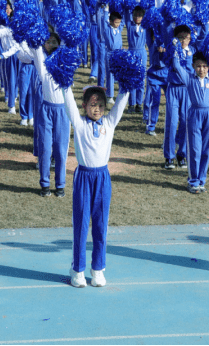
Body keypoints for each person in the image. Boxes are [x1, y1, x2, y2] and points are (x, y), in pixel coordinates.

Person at [63, 85, 128, 288]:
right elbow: (69, 104)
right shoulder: (79, 124)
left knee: (100, 226)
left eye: (100, 105)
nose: (97, 108)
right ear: (84, 106)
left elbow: (120, 104)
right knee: (81, 225)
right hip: (83, 177)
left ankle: (98, 269)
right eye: (92, 105)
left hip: (102, 177)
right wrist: (65, 84)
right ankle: (78, 270)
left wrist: (126, 86)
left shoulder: (109, 122)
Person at [171, 41, 209, 193]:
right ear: (193, 67)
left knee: (206, 149)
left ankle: (202, 179)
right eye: (198, 66)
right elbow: (176, 65)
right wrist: (176, 48)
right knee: (194, 149)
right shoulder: (189, 78)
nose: (201, 69)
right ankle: (193, 181)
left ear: (208, 67)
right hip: (195, 114)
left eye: (204, 66)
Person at [29, 33, 70, 197]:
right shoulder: (42, 65)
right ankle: (44, 184)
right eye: (48, 41)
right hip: (45, 110)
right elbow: (37, 50)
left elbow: (70, 45)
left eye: (54, 41)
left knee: (60, 150)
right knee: (45, 148)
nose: (50, 43)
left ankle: (60, 185)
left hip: (62, 111)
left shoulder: (65, 62)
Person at [163, 25, 193, 169]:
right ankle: (169, 156)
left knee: (185, 122)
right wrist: (174, 50)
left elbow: (189, 70)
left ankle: (182, 154)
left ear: (190, 38)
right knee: (172, 122)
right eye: (179, 37)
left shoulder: (191, 52)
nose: (183, 41)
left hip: (186, 90)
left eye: (185, 38)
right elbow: (172, 63)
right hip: (173, 89)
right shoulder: (172, 50)